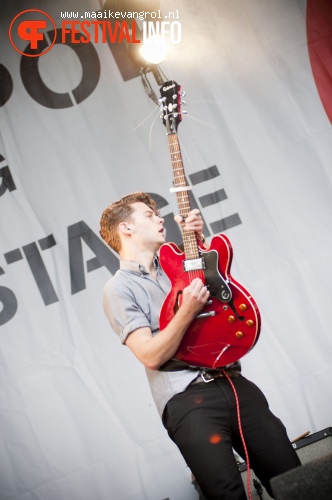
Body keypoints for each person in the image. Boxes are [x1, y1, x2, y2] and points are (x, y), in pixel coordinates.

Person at [100, 192, 301, 500]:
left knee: (295, 480)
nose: (160, 219)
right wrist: (187, 310)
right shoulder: (118, 289)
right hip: (187, 401)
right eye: (149, 215)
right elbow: (150, 355)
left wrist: (199, 243)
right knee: (227, 493)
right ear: (126, 228)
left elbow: (224, 304)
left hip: (233, 381)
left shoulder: (178, 264)